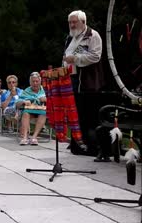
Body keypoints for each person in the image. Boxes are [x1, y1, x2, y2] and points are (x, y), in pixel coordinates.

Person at [63, 10, 105, 155]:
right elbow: (66, 58)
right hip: (73, 82)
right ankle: (78, 145)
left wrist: (75, 59)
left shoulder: (93, 35)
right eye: (70, 22)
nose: (72, 25)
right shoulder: (70, 38)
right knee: (77, 115)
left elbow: (95, 56)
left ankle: (92, 147)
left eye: (74, 22)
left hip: (89, 83)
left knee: (89, 116)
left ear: (83, 21)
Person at [17, 72, 47, 145]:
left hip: (41, 111)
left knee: (43, 114)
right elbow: (17, 104)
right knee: (26, 113)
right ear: (30, 82)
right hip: (30, 112)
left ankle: (34, 137)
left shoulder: (45, 90)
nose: (35, 83)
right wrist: (24, 101)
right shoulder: (26, 91)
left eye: (37, 81)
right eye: (33, 81)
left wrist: (46, 99)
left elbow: (53, 101)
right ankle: (24, 138)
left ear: (40, 82)